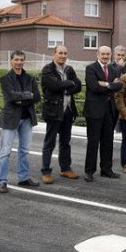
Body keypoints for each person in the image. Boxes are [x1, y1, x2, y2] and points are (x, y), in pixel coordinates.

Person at [0, 50, 41, 193]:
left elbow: (37, 97)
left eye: (21, 60)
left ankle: (24, 178)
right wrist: (27, 95)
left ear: (24, 61)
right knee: (5, 151)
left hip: (27, 118)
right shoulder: (5, 79)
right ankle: (2, 181)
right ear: (11, 60)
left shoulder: (30, 78)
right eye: (16, 59)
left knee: (24, 150)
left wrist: (20, 98)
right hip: (10, 119)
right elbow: (10, 97)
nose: (19, 62)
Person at [40, 45, 82, 184]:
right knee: (49, 142)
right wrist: (69, 84)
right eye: (60, 53)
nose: (63, 55)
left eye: (65, 53)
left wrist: (67, 87)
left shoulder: (69, 69)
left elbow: (79, 85)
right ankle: (46, 171)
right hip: (54, 111)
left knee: (65, 142)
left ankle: (65, 168)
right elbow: (55, 86)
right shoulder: (47, 69)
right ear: (54, 54)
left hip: (68, 110)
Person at [83, 46, 123, 182]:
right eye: (103, 54)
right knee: (93, 142)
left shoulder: (113, 69)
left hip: (109, 110)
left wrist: (105, 84)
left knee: (108, 141)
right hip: (94, 110)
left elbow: (119, 86)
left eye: (108, 54)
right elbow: (93, 86)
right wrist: (111, 85)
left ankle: (106, 169)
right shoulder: (91, 68)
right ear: (97, 54)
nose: (105, 56)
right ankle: (89, 171)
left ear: (111, 55)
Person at [111, 46, 126, 136]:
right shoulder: (109, 66)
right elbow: (111, 80)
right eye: (118, 55)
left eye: (122, 55)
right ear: (114, 55)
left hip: (125, 98)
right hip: (113, 98)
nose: (120, 57)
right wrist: (119, 67)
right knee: (111, 124)